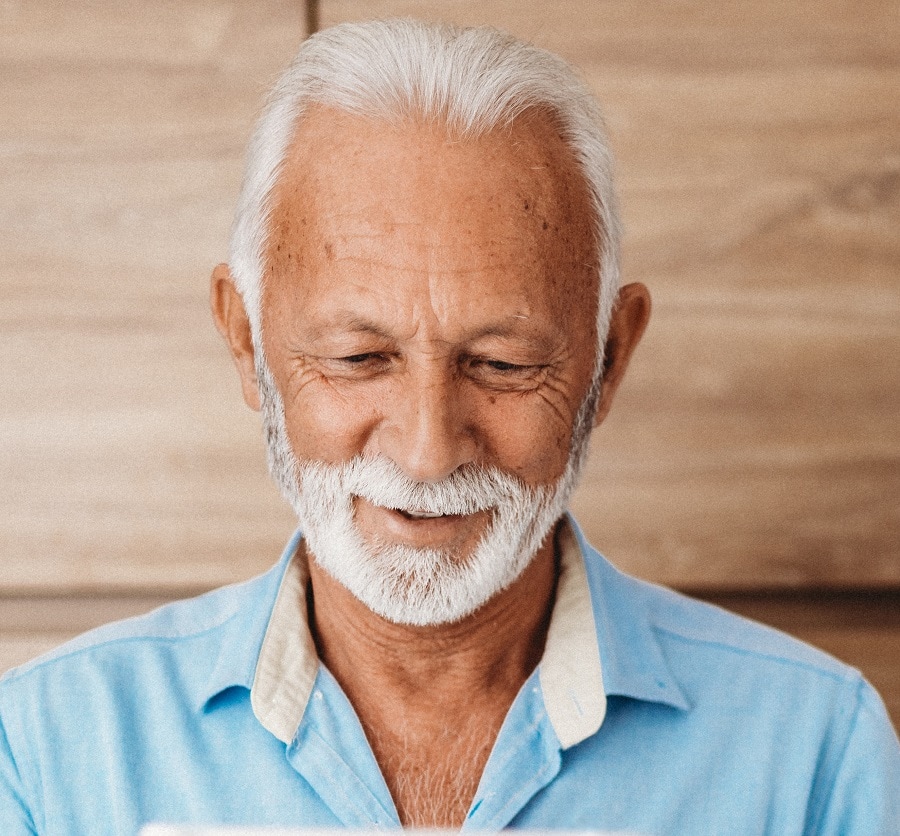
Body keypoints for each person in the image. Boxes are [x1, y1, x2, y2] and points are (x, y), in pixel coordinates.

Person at [1, 18, 898, 836]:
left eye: (504, 365)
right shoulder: (48, 754)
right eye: (358, 358)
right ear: (246, 342)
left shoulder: (813, 753)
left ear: (610, 360)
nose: (427, 453)